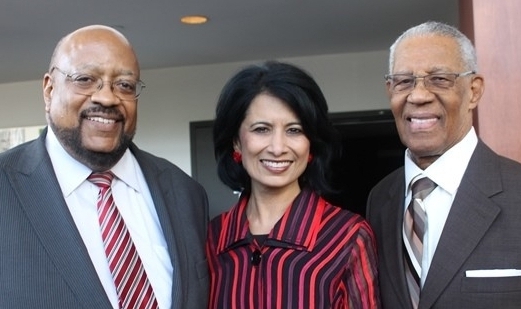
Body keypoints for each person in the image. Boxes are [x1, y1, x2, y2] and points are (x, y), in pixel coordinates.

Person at [0, 25, 209, 308]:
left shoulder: (186, 192)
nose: (108, 98)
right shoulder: (6, 185)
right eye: (85, 79)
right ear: (49, 90)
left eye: (125, 85)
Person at [366, 21, 521, 309]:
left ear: (473, 91)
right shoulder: (380, 199)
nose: (418, 95)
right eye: (404, 81)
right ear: (390, 90)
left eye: (439, 79)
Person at [207, 60, 380, 309]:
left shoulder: (348, 236)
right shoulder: (212, 239)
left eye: (294, 130)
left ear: (311, 143)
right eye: (261, 129)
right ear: (236, 141)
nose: (278, 148)